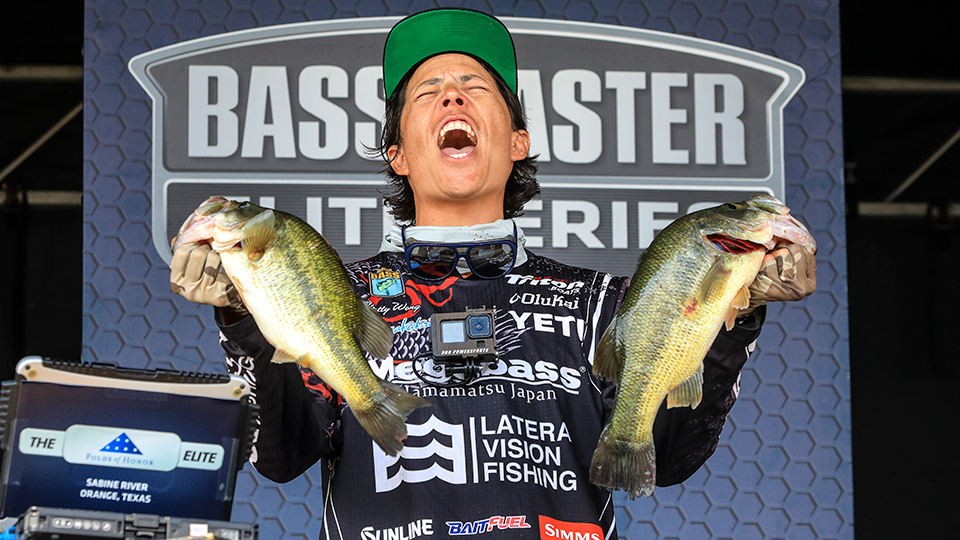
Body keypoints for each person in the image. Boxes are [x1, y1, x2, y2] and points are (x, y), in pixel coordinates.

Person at [169, 8, 816, 539]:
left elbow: (668, 457)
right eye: (427, 90)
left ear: (516, 141)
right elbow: (281, 457)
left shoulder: (602, 301)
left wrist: (734, 315)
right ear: (397, 154)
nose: (452, 94)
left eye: (476, 87)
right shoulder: (343, 293)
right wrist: (242, 317)